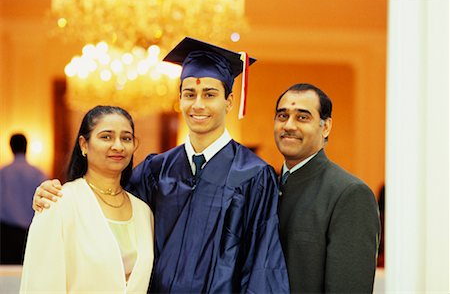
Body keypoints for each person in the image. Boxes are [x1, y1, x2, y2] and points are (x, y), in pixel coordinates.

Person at [32, 37, 289, 293]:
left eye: (209, 94)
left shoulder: (254, 175)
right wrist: (50, 195)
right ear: (180, 99)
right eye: (190, 94)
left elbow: (261, 265)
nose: (198, 104)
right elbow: (106, 200)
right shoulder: (157, 170)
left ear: (229, 101)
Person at [20, 106, 154, 293]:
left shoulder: (143, 211)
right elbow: (40, 285)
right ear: (84, 145)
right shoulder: (57, 202)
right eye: (106, 137)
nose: (118, 146)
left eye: (126, 138)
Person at [274, 83, 380, 293]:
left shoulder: (349, 194)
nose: (289, 125)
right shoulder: (265, 188)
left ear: (326, 127)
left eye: (302, 117)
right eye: (282, 116)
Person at [0, 133, 47, 264]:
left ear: (11, 147)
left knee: (7, 276)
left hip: (7, 233)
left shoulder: (3, 173)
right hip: (32, 230)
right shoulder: (38, 173)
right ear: (26, 146)